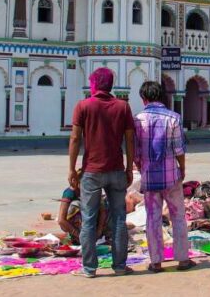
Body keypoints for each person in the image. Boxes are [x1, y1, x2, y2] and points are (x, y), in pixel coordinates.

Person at [68, 67, 136, 278]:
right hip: (116, 169)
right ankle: (120, 266)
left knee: (89, 219)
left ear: (94, 84)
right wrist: (129, 167)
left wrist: (71, 168)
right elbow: (129, 139)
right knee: (119, 218)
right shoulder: (123, 107)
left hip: (92, 170)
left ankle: (89, 268)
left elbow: (75, 138)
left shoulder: (83, 106)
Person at [133, 81, 196, 272]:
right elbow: (179, 149)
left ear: (143, 98)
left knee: (152, 219)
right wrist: (182, 168)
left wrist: (141, 167)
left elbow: (136, 152)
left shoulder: (138, 120)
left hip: (149, 177)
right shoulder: (173, 118)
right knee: (178, 217)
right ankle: (183, 259)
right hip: (171, 176)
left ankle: (156, 262)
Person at [57, 177, 108, 246]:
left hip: (92, 225)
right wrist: (78, 234)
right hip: (77, 229)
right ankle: (77, 238)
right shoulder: (69, 192)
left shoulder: (94, 190)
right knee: (75, 205)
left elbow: (102, 212)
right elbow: (61, 220)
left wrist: (99, 231)